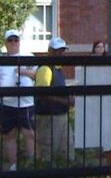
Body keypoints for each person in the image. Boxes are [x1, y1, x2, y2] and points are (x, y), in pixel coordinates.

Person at [34, 37, 74, 166]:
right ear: (50, 50)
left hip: (60, 115)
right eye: (57, 50)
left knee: (67, 150)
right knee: (47, 152)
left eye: (62, 50)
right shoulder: (46, 68)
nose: (60, 53)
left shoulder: (57, 68)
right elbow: (41, 94)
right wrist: (64, 101)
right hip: (48, 116)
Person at [1, 30, 36, 170]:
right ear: (6, 43)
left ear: (20, 42)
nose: (14, 43)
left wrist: (24, 71)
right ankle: (13, 165)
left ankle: (31, 163)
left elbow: (38, 75)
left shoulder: (28, 56)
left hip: (25, 103)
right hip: (7, 103)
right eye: (10, 40)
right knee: (9, 134)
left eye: (16, 40)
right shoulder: (1, 59)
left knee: (29, 133)